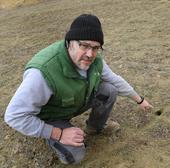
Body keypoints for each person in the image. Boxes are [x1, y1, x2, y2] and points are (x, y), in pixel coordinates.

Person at [4, 14, 153, 164]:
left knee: (109, 89)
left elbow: (115, 79)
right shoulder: (42, 72)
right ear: (69, 42)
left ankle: (95, 128)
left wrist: (140, 100)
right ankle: (53, 136)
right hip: (51, 116)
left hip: (73, 103)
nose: (90, 54)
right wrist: (58, 133)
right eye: (84, 45)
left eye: (95, 48)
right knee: (75, 156)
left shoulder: (95, 60)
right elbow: (14, 116)